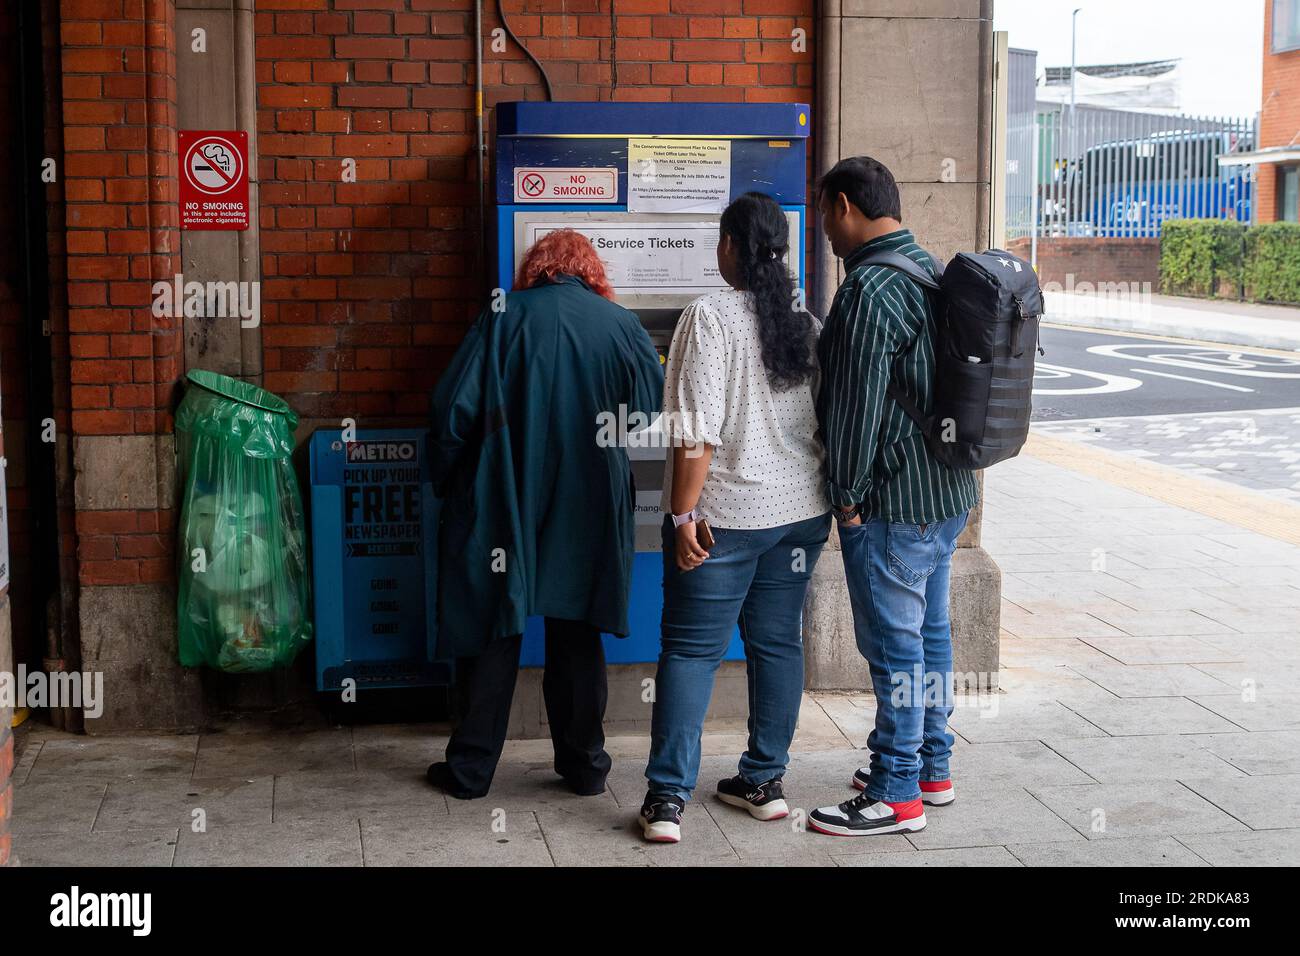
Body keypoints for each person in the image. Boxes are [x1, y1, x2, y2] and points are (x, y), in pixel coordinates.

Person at [426, 228, 664, 800]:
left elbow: (451, 411)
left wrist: (450, 482)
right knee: (578, 629)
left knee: (495, 625)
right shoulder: (622, 325)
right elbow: (648, 410)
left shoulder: (502, 315)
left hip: (505, 494)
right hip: (586, 498)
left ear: (537, 268)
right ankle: (584, 767)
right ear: (591, 271)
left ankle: (470, 771)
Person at [638, 192, 832, 844]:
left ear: (729, 248)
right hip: (801, 515)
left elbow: (696, 436)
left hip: (725, 517)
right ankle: (764, 782)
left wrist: (683, 514)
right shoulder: (802, 320)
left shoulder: (710, 317)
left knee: (691, 652)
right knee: (776, 643)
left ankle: (667, 801)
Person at [806, 157, 978, 837]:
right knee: (929, 635)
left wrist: (845, 494)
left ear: (844, 205)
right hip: (946, 492)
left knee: (895, 648)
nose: (823, 229)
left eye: (824, 213)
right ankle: (932, 764)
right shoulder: (930, 269)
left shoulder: (870, 289)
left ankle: (895, 792)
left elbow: (855, 407)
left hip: (892, 505)